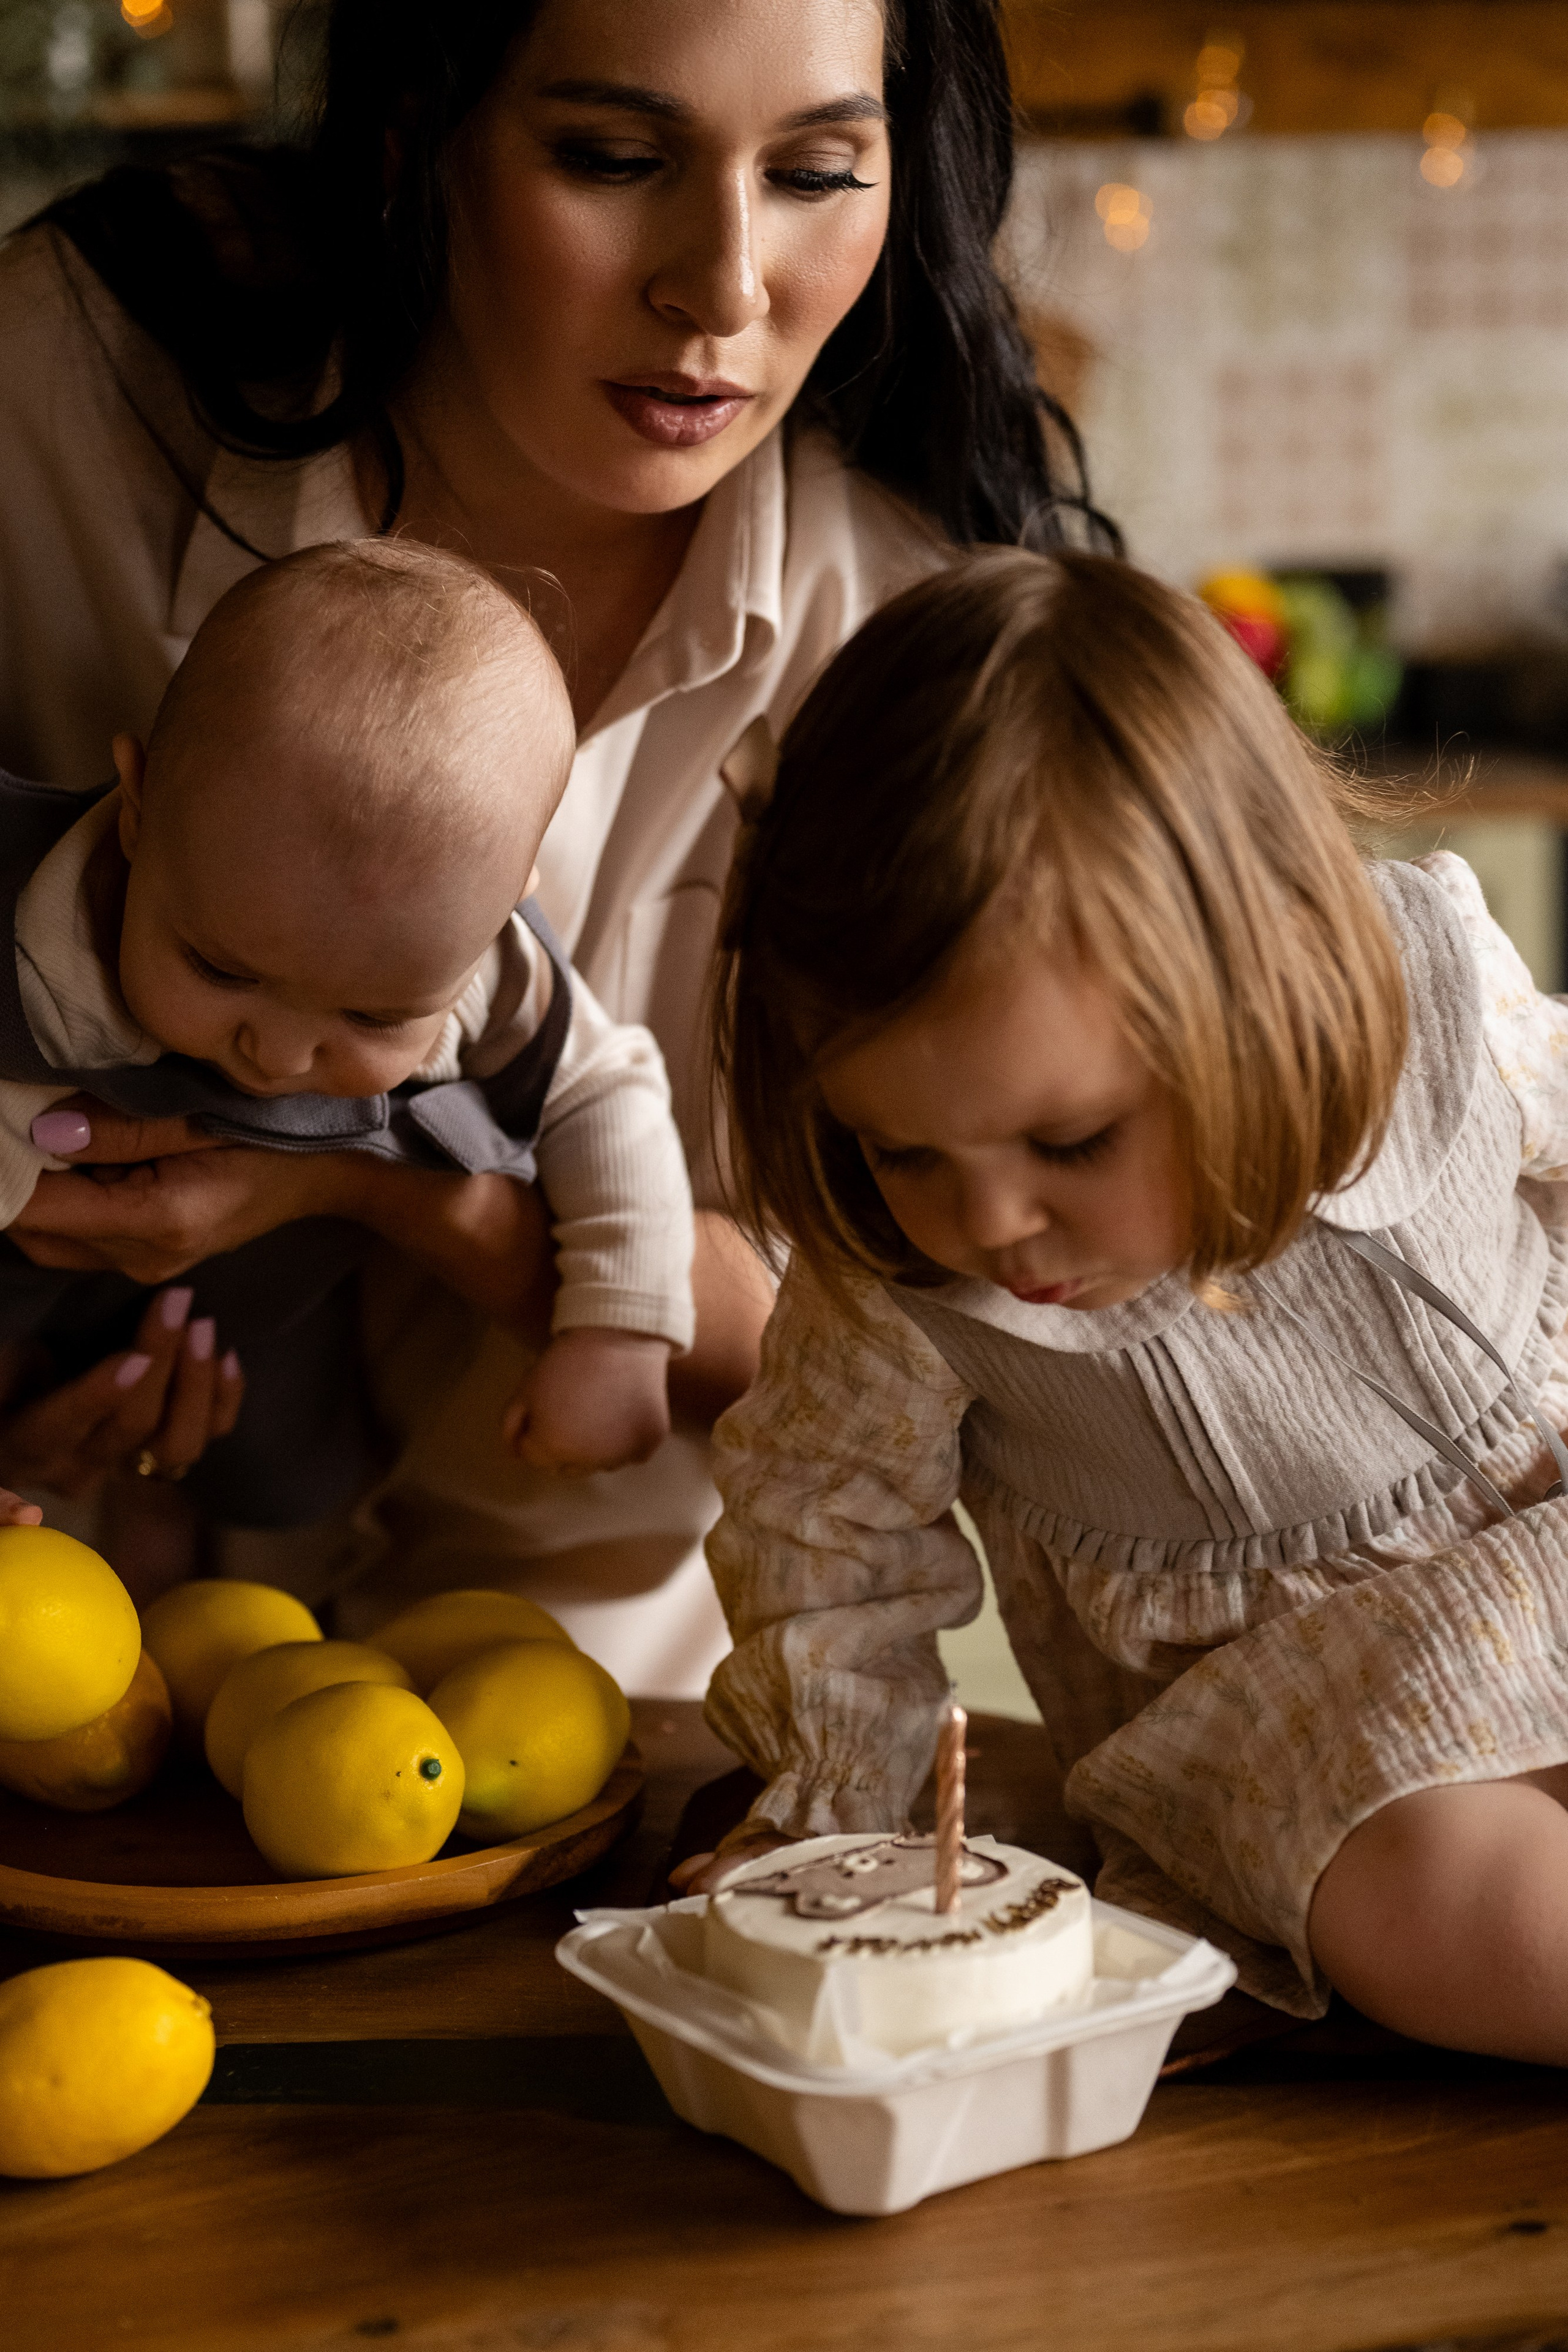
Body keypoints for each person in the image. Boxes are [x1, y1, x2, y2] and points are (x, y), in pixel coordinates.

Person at [0, 0, 1109, 1685]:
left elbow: (969, 1361)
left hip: (615, 1703)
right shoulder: (72, 396)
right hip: (62, 1660)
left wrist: (387, 1194)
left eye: (815, 174)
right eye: (611, 157)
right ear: (415, 134)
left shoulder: (921, 644)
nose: (722, 290)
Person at [682, 548, 1568, 2067]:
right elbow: (823, 1537)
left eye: (1072, 1140)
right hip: (1300, 1737)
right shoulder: (897, 1284)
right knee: (1447, 1903)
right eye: (903, 1151)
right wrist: (830, 1818)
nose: (986, 1223)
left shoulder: (1422, 1002)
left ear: (1260, 988)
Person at [0, 535, 693, 1525]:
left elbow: (605, 1089)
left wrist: (622, 1331)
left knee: (294, 1486)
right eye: (221, 969)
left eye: (374, 1015)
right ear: (137, 811)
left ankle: (185, 1530)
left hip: (254, 1313)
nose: (279, 1056)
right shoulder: (41, 944)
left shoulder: (490, 975)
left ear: (502, 910)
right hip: (30, 1269)